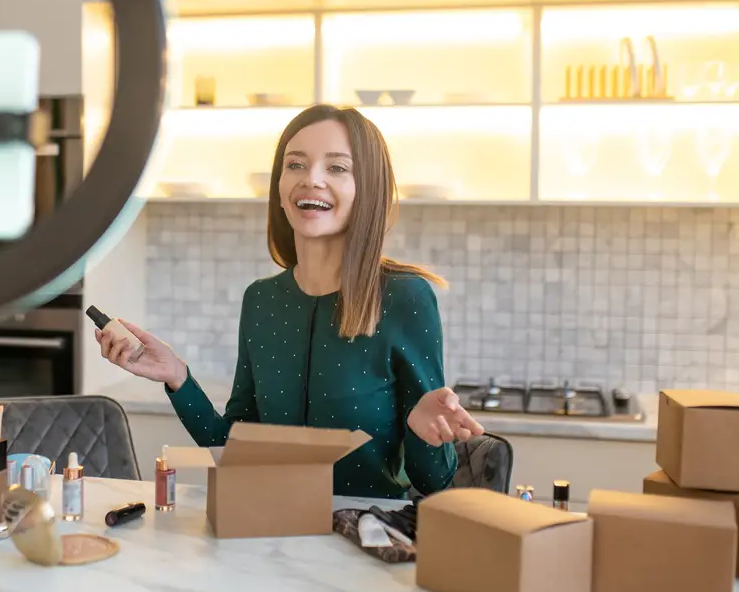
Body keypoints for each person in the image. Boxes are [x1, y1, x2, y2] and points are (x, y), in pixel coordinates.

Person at [96, 104, 483, 498]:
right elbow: (232, 445)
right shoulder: (261, 301)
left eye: (337, 168)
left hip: (365, 542)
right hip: (275, 537)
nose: (311, 179)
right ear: (279, 190)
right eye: (295, 164)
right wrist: (177, 377)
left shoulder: (404, 297)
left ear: (367, 190)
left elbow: (432, 480)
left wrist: (424, 434)